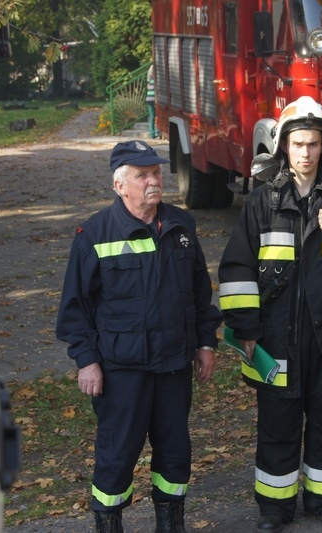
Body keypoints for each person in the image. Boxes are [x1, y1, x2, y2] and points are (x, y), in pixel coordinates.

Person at [218, 96, 322, 533]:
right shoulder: (261, 203)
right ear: (284, 148)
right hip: (276, 336)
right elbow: (236, 269)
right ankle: (274, 508)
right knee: (278, 422)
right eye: (298, 144)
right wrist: (245, 329)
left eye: (313, 144)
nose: (306, 153)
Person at [56, 140, 222, 533]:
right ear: (119, 185)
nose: (153, 181)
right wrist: (86, 361)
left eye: (156, 173)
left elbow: (200, 292)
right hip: (121, 370)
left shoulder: (181, 225)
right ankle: (109, 525)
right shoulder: (95, 233)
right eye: (142, 175)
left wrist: (205, 342)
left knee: (175, 453)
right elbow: (75, 307)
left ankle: (171, 524)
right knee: (116, 456)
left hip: (173, 365)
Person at [146, 64, 158, 139]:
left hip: (148, 99)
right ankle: (158, 131)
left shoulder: (150, 81)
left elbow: (148, 88)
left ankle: (152, 133)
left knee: (152, 116)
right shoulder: (157, 81)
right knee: (157, 116)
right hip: (154, 99)